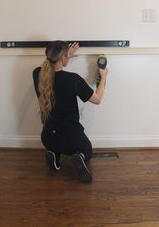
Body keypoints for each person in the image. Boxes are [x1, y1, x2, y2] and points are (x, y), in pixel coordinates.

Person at [32, 40, 108, 183]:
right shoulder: (73, 79)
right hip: (71, 140)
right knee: (87, 152)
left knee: (55, 143)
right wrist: (103, 77)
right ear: (63, 57)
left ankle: (54, 154)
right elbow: (97, 99)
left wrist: (65, 55)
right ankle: (78, 157)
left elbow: (49, 63)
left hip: (48, 137)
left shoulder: (37, 74)